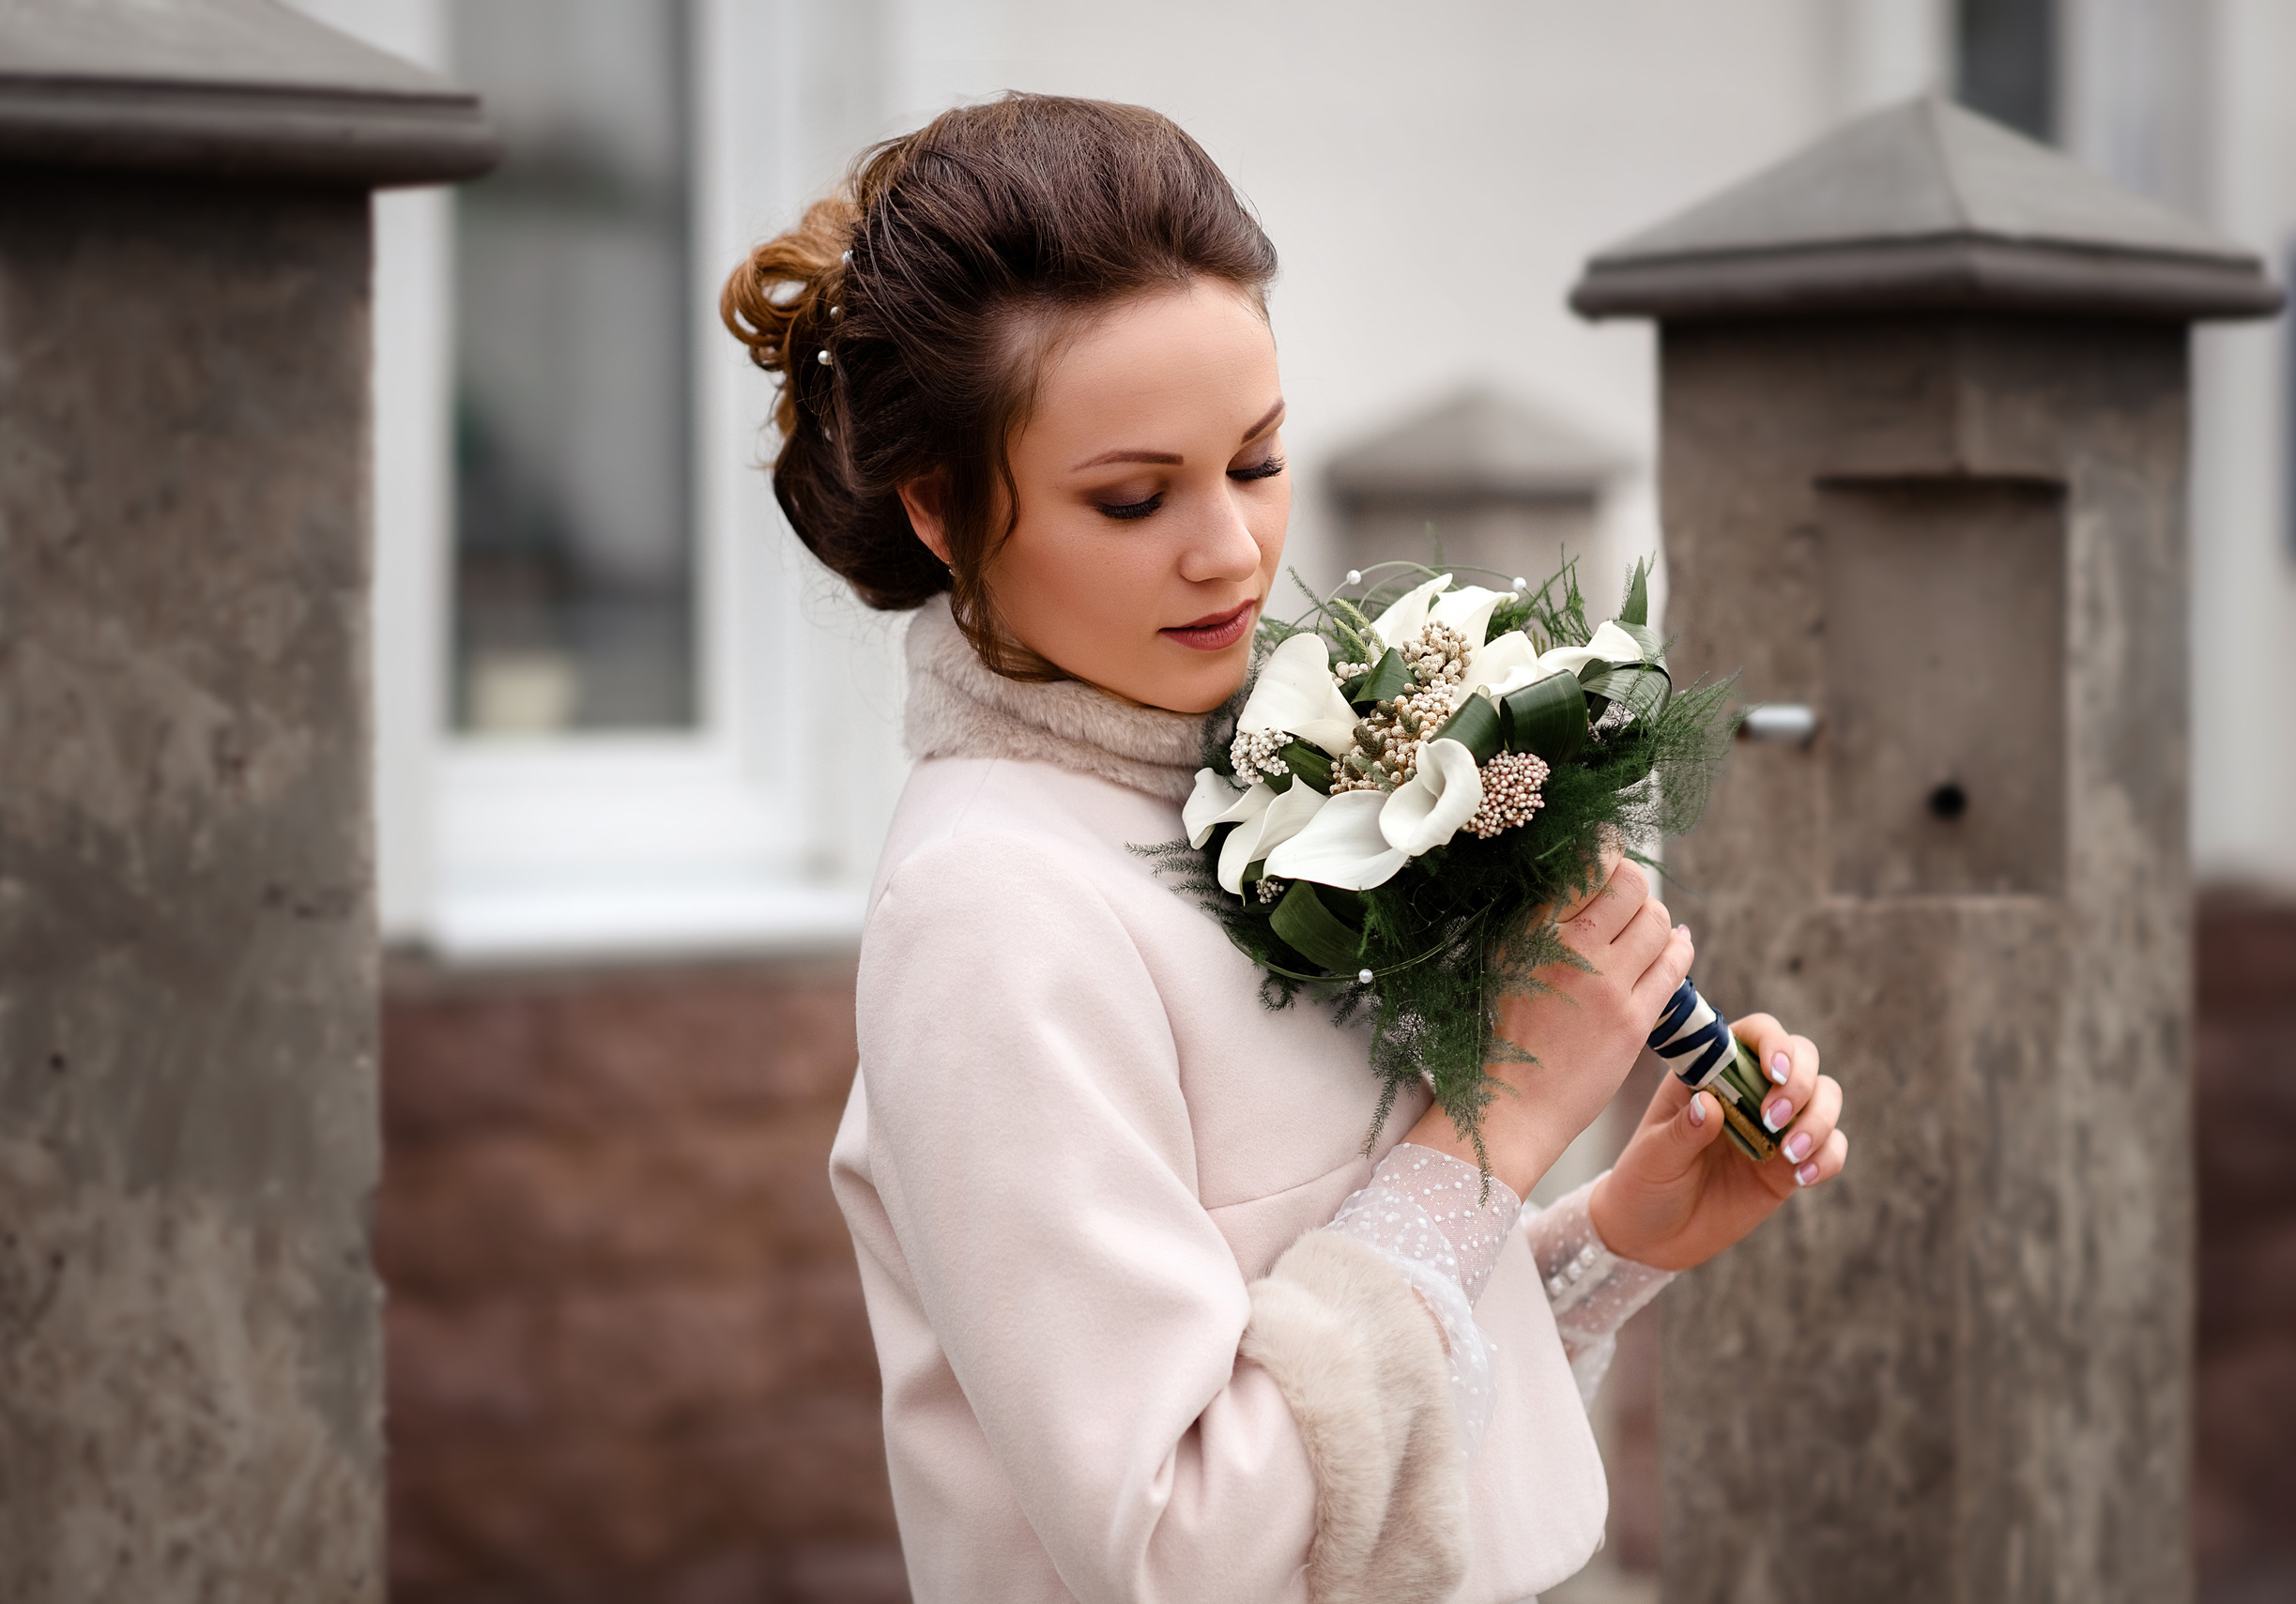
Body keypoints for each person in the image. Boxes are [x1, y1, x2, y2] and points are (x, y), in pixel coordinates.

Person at [720, 93, 1848, 1604]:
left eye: (1254, 462)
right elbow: (1183, 1543)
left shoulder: (1239, 800)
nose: (1231, 550)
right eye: (1133, 497)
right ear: (937, 508)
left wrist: (1599, 1241)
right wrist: (1495, 1121)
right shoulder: (989, 910)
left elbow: (1351, 1431)